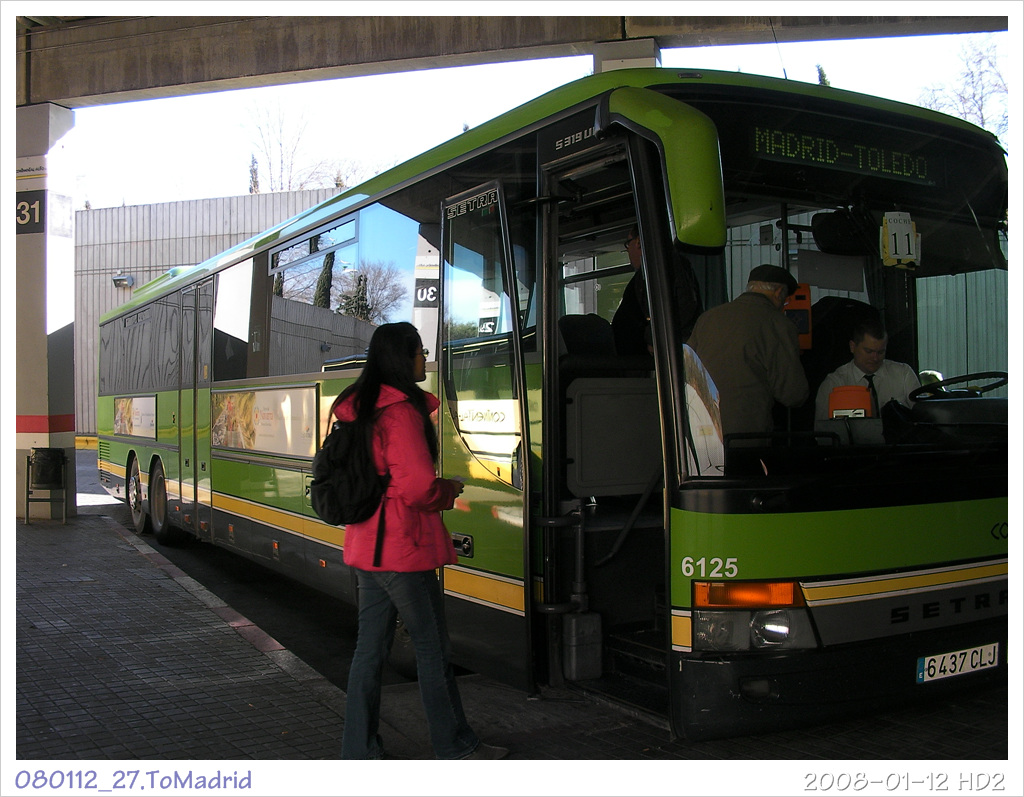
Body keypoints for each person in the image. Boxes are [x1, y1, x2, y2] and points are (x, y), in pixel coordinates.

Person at [336, 322, 507, 760]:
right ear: (402, 358)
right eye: (420, 352)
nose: (425, 360)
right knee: (433, 648)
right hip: (403, 548)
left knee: (369, 651)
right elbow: (416, 488)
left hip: (368, 545)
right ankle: (455, 745)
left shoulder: (362, 408)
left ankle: (359, 749)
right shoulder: (400, 414)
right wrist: (448, 489)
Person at [686, 264, 809, 439]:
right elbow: (793, 394)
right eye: (786, 300)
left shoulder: (708, 318)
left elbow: (687, 368)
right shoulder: (779, 324)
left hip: (700, 428)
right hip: (746, 433)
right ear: (779, 292)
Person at [611, 225, 703, 356]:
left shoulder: (662, 266)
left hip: (650, 357)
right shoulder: (651, 270)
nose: (628, 250)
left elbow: (682, 307)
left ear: (638, 242)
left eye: (628, 244)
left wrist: (653, 340)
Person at [815, 317, 920, 420]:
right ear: (852, 347)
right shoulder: (834, 384)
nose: (875, 358)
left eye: (880, 352)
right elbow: (823, 429)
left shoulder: (903, 374)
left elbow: (922, 415)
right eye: (869, 351)